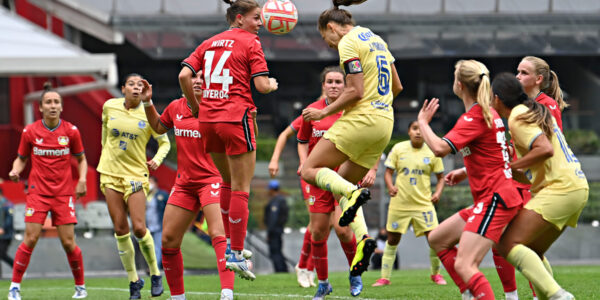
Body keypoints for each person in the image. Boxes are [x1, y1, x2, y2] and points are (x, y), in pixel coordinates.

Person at [300, 1, 403, 298]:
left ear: (332, 27)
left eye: (325, 38)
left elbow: (355, 90)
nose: (329, 44)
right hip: (385, 123)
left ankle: (356, 197)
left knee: (309, 170)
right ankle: (364, 239)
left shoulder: (348, 41)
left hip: (362, 119)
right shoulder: (376, 38)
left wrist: (324, 112)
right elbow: (396, 86)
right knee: (341, 188)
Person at [178, 0, 278, 281]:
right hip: (236, 117)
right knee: (242, 188)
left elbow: (184, 74)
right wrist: (272, 84)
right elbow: (261, 85)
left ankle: (230, 251)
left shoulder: (209, 42)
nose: (260, 23)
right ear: (239, 18)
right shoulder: (251, 43)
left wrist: (195, 106)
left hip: (208, 120)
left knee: (226, 182)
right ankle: (235, 253)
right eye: (256, 18)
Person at [417, 60, 523, 300]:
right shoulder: (488, 113)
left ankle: (482, 293)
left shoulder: (474, 116)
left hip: (495, 198)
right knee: (437, 239)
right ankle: (470, 293)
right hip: (496, 196)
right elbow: (497, 152)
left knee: (465, 264)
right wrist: (466, 171)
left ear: (460, 85)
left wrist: (423, 122)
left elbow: (439, 148)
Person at [491, 73, 588, 300]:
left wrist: (512, 164)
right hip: (576, 187)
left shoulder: (517, 116)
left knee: (505, 244)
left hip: (561, 189)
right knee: (532, 251)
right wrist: (514, 169)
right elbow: (530, 174)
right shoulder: (531, 111)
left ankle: (558, 296)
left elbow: (545, 149)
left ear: (497, 99)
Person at [140, 74, 235, 300]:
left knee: (217, 233)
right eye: (193, 76)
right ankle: (177, 297)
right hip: (184, 184)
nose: (198, 80)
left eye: (203, 76)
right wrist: (147, 102)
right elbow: (158, 127)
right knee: (168, 240)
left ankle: (227, 293)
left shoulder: (219, 107)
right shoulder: (175, 107)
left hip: (212, 180)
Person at [298, 66, 384, 297]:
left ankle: (354, 275)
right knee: (317, 232)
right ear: (323, 85)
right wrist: (303, 162)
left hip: (344, 177)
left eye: (338, 82)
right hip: (318, 179)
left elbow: (372, 140)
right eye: (330, 82)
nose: (334, 85)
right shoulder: (312, 112)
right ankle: (323, 283)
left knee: (344, 231)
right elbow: (302, 139)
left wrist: (373, 169)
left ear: (345, 86)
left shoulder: (354, 111)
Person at [8, 86, 88, 300]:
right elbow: (21, 158)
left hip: (63, 194)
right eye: (48, 102)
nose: (53, 105)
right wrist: (16, 169)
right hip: (38, 193)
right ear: (41, 107)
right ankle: (14, 287)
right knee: (31, 238)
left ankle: (80, 287)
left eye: (56, 102)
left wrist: (82, 180)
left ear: (61, 107)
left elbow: (81, 159)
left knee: (69, 243)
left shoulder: (71, 131)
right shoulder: (30, 131)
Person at [97, 74, 170, 299]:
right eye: (132, 84)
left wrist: (156, 160)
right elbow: (104, 137)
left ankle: (155, 274)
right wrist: (106, 159)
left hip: (136, 175)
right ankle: (133, 281)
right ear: (123, 88)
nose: (136, 88)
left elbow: (164, 142)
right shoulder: (109, 106)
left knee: (139, 228)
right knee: (120, 229)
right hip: (110, 174)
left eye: (140, 85)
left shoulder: (149, 114)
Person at [372, 120, 447, 287]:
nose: (418, 132)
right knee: (392, 240)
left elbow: (441, 177)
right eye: (414, 128)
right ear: (408, 131)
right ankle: (384, 277)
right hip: (400, 204)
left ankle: (436, 275)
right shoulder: (398, 148)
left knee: (434, 239)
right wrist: (391, 186)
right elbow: (388, 172)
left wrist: (437, 193)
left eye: (421, 129)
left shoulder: (433, 151)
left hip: (423, 204)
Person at [516, 56, 566, 131]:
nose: (517, 76)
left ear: (538, 79)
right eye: (518, 72)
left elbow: (553, 138)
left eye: (524, 73)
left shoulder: (548, 104)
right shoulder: (519, 102)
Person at [264, 180, 289, 273]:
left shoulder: (276, 201)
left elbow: (273, 218)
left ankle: (280, 270)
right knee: (278, 251)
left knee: (275, 252)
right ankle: (283, 269)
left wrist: (269, 232)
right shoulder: (281, 200)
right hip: (278, 230)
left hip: (274, 231)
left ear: (272, 190)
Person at [145, 176, 167, 269]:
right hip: (147, 226)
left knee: (157, 246)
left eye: (151, 182)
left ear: (155, 183)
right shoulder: (144, 195)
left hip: (159, 225)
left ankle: (155, 267)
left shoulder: (162, 194)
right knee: (149, 247)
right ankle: (152, 265)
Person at [0, 188, 14, 278]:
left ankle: (18, 268)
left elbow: (10, 219)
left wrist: (3, 228)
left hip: (6, 235)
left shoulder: (7, 204)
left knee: (1, 253)